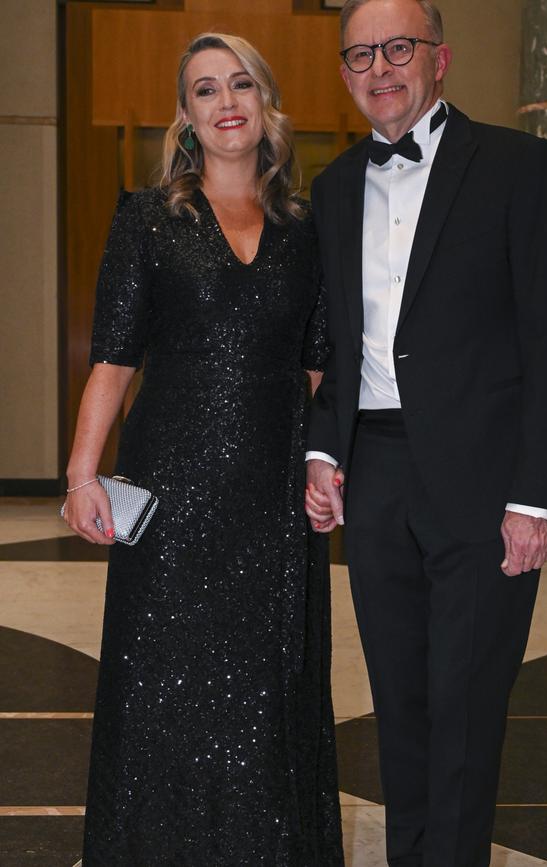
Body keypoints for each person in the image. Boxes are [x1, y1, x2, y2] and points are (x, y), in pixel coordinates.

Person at [304, 1, 547, 864]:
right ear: (346, 72)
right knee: (400, 700)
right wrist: (323, 447)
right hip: (375, 473)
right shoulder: (334, 185)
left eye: (399, 48)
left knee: (465, 703)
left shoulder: (516, 165)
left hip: (485, 479)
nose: (380, 69)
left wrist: (535, 496)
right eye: (361, 55)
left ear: (440, 57)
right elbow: (327, 338)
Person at [62, 32, 343, 866]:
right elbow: (112, 360)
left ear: (266, 105)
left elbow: (320, 367)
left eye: (241, 86)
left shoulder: (306, 228)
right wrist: (82, 474)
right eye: (206, 90)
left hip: (271, 505)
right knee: (163, 696)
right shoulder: (147, 220)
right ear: (185, 116)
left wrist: (329, 464)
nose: (227, 103)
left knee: (266, 698)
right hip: (172, 497)